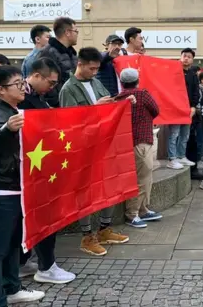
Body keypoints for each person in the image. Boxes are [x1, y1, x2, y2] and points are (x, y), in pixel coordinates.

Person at [0, 65, 46, 305]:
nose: (23, 88)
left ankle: (12, 288)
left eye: (22, 83)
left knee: (13, 244)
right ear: (1, 90)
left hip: (19, 188)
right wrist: (8, 130)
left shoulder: (14, 110)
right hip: (1, 191)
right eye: (17, 84)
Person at [59, 47, 129, 256]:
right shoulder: (68, 89)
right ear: (79, 64)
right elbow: (68, 122)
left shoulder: (96, 82)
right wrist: (96, 107)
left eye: (97, 68)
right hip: (83, 147)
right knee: (86, 194)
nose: (95, 72)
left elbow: (106, 106)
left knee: (108, 188)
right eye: (92, 68)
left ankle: (104, 229)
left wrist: (119, 102)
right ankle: (87, 236)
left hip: (103, 143)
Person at [16, 58, 76, 284]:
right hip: (31, 168)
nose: (53, 87)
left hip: (37, 166)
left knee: (31, 218)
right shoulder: (22, 100)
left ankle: (24, 261)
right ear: (36, 76)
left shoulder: (38, 98)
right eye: (50, 82)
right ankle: (46, 266)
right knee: (42, 216)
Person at [116, 68, 163, 227]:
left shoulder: (118, 97)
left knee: (143, 176)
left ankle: (143, 209)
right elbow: (156, 110)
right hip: (141, 140)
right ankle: (132, 214)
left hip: (127, 141)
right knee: (142, 177)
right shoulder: (142, 94)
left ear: (122, 82)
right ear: (137, 80)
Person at [167, 48, 199, 171]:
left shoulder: (193, 74)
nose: (186, 58)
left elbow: (195, 92)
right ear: (180, 57)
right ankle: (172, 158)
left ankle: (181, 156)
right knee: (174, 134)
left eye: (189, 56)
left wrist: (193, 106)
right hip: (175, 107)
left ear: (192, 60)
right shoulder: (174, 71)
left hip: (188, 108)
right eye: (184, 56)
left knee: (185, 134)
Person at [39, 17, 79, 107]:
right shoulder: (48, 52)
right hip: (60, 106)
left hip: (73, 102)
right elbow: (46, 83)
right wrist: (58, 103)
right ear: (67, 32)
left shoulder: (72, 53)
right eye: (76, 31)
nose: (77, 34)